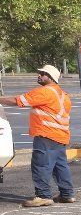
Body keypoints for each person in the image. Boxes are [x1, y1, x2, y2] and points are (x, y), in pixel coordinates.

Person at [0, 65, 75, 207]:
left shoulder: (45, 92)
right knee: (60, 166)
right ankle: (67, 194)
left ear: (51, 77)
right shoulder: (62, 94)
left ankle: (43, 196)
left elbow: (18, 101)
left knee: (41, 165)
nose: (39, 75)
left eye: (43, 74)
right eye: (40, 73)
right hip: (60, 136)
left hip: (46, 135)